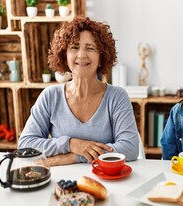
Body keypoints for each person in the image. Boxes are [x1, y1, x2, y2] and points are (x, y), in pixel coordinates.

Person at [18, 17, 139, 166]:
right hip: (61, 182)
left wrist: (74, 157)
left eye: (90, 48)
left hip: (106, 180)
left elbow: (130, 148)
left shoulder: (117, 97)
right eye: (74, 47)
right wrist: (70, 144)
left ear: (101, 57)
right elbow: (25, 144)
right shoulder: (50, 96)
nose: (81, 55)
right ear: (64, 55)